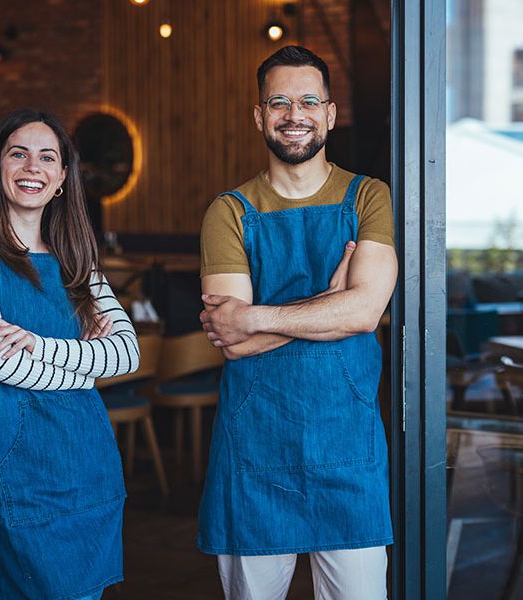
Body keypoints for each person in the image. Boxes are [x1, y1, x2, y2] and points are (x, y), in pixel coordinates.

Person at [198, 46, 397, 599]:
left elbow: (364, 312)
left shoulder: (369, 197)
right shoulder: (229, 211)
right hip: (254, 451)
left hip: (347, 448)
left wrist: (256, 316)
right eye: (279, 101)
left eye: (309, 100)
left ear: (330, 114)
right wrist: (330, 306)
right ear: (259, 115)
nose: (294, 113)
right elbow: (232, 343)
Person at [0, 108, 138, 599]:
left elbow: (126, 354)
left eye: (46, 157)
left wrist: (39, 344)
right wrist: (84, 360)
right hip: (21, 470)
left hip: (90, 464)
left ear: (60, 179)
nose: (32, 166)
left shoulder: (76, 260)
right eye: (18, 154)